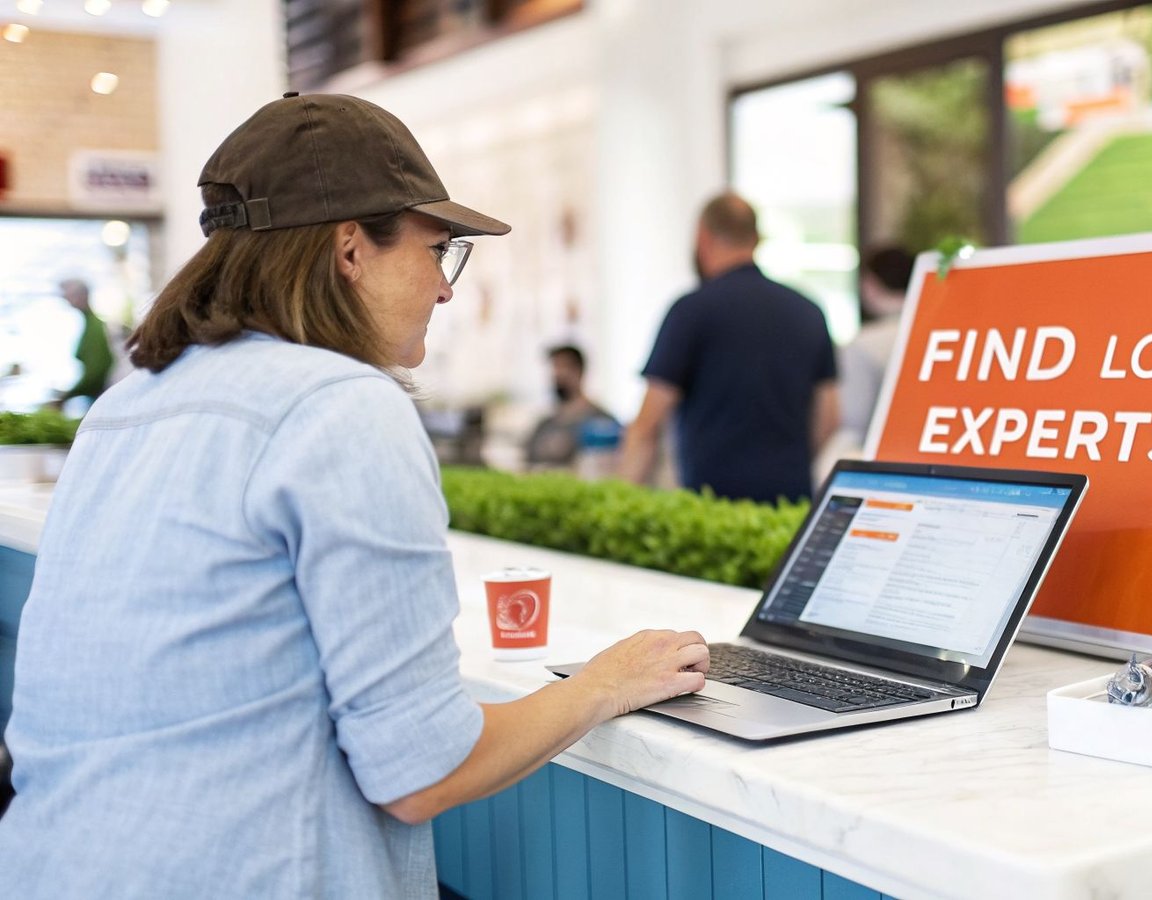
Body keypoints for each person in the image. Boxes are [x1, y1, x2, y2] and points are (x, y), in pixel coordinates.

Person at [0, 93, 708, 898]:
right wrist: (605, 682)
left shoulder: (124, 408)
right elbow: (424, 772)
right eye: (437, 249)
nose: (445, 289)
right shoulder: (339, 405)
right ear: (349, 251)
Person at [618, 192, 838, 504]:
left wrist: (620, 503)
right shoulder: (809, 311)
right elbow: (829, 417)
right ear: (756, 239)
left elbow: (646, 428)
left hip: (714, 512)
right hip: (791, 508)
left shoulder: (691, 311)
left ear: (702, 238)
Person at [835, 245, 915, 451]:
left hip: (881, 454)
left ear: (870, 284)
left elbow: (853, 420)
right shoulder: (940, 331)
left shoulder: (864, 344)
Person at [524, 344, 620, 468]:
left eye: (562, 367)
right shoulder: (545, 424)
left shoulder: (603, 421)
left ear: (579, 371)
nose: (556, 374)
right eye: (554, 367)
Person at [58, 277, 114, 405]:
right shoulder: (88, 324)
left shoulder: (95, 327)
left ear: (82, 295)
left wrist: (67, 396)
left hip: (104, 396)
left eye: (68, 294)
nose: (65, 299)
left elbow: (96, 371)